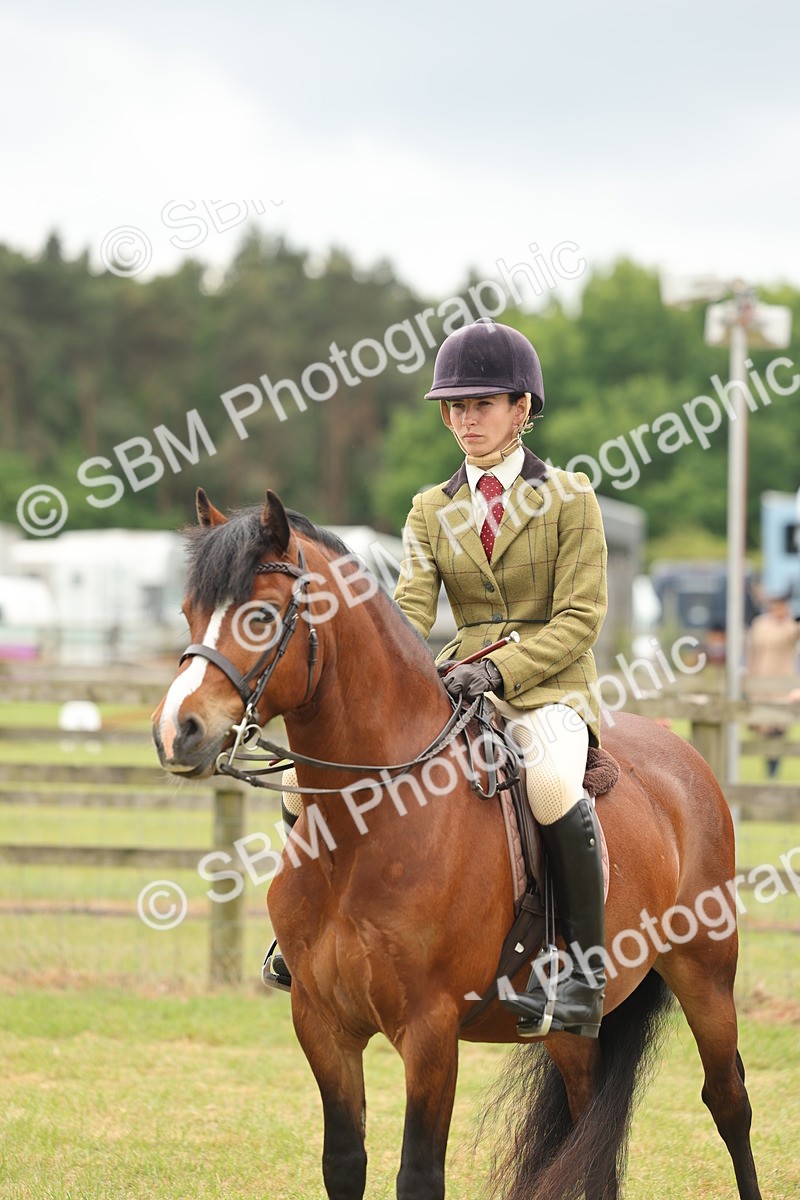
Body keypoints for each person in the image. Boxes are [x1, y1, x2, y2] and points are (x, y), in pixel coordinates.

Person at [392, 317, 609, 1038]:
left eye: (480, 404)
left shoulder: (572, 498)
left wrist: (500, 671)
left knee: (549, 784)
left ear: (522, 409)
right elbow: (409, 613)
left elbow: (579, 619)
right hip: (457, 683)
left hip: (550, 686)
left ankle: (581, 971)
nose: (463, 420)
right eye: (453, 407)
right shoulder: (431, 509)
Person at [745, 591, 800, 778]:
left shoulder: (790, 626)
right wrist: (749, 680)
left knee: (778, 726)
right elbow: (752, 652)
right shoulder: (760, 624)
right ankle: (768, 766)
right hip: (760, 680)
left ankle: (774, 768)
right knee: (762, 727)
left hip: (782, 683)